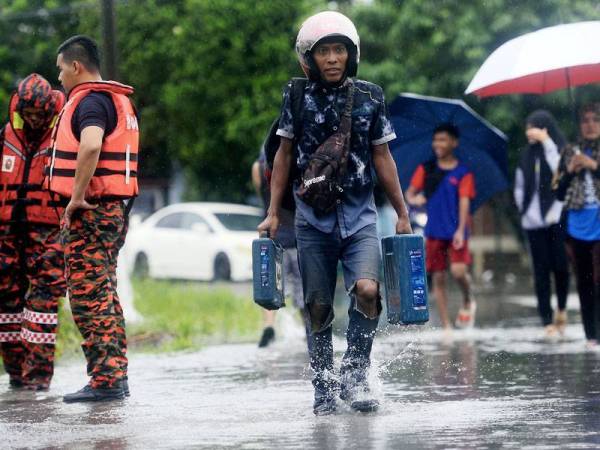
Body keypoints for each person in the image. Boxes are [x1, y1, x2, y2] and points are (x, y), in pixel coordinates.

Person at [258, 11, 412, 415]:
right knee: (318, 304)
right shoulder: (295, 95)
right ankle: (324, 386)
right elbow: (283, 157)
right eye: (323, 51)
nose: (331, 58)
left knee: (367, 290)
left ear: (351, 54)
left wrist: (401, 211)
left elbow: (383, 156)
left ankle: (356, 374)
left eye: (338, 50)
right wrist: (274, 213)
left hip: (360, 212)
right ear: (308, 58)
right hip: (311, 217)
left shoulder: (370, 97)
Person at [45, 35, 139, 402]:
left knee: (88, 296)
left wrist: (77, 195)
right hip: (112, 210)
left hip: (93, 210)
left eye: (60, 71)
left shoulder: (92, 102)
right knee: (104, 293)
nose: (59, 80)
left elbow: (91, 144)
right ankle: (112, 374)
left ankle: (107, 380)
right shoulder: (111, 99)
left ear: (75, 66)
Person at [0, 74, 66, 390]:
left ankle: (38, 380)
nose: (35, 120)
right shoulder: (5, 137)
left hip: (49, 235)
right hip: (7, 232)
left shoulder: (66, 135)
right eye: (29, 115)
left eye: (41, 114)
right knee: (6, 306)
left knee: (42, 305)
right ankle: (16, 375)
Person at [405, 124, 476, 330]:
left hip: (456, 232)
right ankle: (446, 325)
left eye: (443, 139)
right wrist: (414, 199)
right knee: (438, 276)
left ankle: (468, 298)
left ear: (454, 143)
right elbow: (409, 193)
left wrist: (461, 230)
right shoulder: (426, 169)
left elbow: (464, 203)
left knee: (459, 272)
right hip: (434, 230)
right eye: (436, 139)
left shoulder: (464, 173)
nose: (438, 144)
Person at [514, 110, 569, 337]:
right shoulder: (526, 155)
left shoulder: (558, 150)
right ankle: (546, 320)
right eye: (528, 127)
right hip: (533, 221)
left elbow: (560, 171)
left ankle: (562, 309)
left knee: (560, 267)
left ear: (545, 128)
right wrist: (523, 210)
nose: (529, 131)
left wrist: (547, 142)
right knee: (540, 270)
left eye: (533, 127)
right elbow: (519, 184)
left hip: (555, 217)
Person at [555, 103, 600, 349]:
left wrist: (594, 166)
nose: (590, 125)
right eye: (585, 120)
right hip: (577, 226)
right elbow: (558, 193)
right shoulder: (570, 152)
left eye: (595, 119)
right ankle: (590, 336)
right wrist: (571, 170)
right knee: (584, 281)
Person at [252, 149, 304, 347]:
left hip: (271, 238)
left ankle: (269, 326)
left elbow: (262, 194)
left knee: (269, 287)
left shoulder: (258, 167)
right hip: (296, 237)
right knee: (302, 293)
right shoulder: (296, 166)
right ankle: (310, 332)